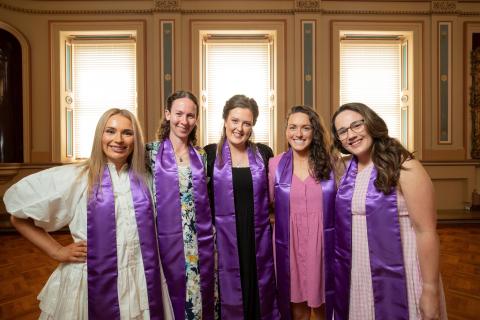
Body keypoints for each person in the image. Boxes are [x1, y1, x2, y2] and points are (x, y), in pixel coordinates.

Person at [3, 108, 166, 319]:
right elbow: (17, 216)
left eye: (127, 132)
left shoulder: (146, 180)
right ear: (100, 136)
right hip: (90, 281)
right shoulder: (77, 177)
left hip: (139, 281)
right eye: (110, 131)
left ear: (136, 139)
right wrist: (56, 251)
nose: (118, 139)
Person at [331, 102, 447, 320]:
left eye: (356, 125)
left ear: (371, 123)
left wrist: (429, 289)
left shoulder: (404, 166)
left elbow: (426, 231)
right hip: (360, 273)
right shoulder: (345, 169)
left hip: (403, 273)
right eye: (343, 131)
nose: (351, 135)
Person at [204, 94, 279, 320]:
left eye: (246, 123)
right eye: (235, 121)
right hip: (223, 242)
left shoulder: (263, 154)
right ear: (225, 120)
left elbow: (276, 195)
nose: (240, 128)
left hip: (258, 239)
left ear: (253, 125)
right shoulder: (208, 154)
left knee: (258, 296)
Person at [146, 90, 216, 320]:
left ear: (196, 119)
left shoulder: (201, 155)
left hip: (198, 243)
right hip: (163, 240)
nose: (184, 121)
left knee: (197, 299)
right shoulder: (150, 153)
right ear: (167, 114)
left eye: (190, 116)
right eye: (178, 114)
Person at [268, 105, 336, 320]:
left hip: (323, 242)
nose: (298, 134)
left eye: (305, 128)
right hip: (290, 244)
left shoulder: (332, 163)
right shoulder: (274, 165)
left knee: (323, 304)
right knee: (295, 304)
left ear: (314, 131)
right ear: (286, 131)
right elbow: (267, 204)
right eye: (293, 127)